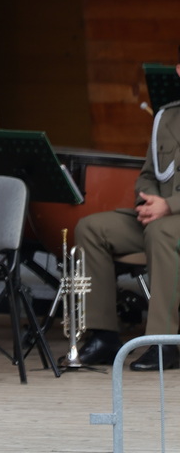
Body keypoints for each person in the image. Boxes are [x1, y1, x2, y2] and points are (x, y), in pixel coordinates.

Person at [68, 53, 180, 371]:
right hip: (159, 214)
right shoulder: (167, 117)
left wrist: (168, 206)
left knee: (161, 232)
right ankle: (103, 335)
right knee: (91, 228)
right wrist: (149, 202)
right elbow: (149, 173)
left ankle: (164, 342)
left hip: (169, 217)